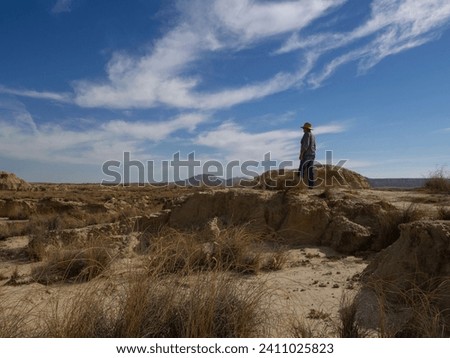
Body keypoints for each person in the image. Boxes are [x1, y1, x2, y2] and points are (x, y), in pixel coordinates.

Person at [298, 122, 316, 188]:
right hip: (312, 154)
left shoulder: (306, 134)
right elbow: (315, 146)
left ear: (306, 129)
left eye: (304, 128)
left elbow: (305, 146)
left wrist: (301, 154)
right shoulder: (313, 135)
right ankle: (311, 186)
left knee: (301, 169)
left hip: (306, 155)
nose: (303, 130)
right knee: (310, 171)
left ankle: (299, 185)